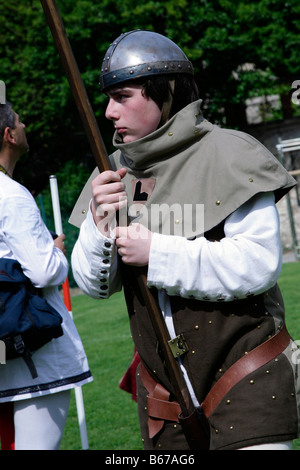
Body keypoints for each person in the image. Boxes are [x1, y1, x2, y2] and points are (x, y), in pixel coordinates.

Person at [70, 30, 300, 450]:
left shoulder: (232, 153)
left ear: (165, 91)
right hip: (165, 399)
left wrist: (157, 253)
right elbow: (93, 286)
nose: (108, 111)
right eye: (108, 98)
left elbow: (259, 262)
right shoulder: (112, 170)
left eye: (122, 96)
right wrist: (99, 222)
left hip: (246, 379)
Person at [0, 102, 92, 450]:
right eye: (20, 122)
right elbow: (44, 272)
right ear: (9, 135)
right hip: (32, 352)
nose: (25, 127)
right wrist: (55, 251)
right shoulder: (10, 195)